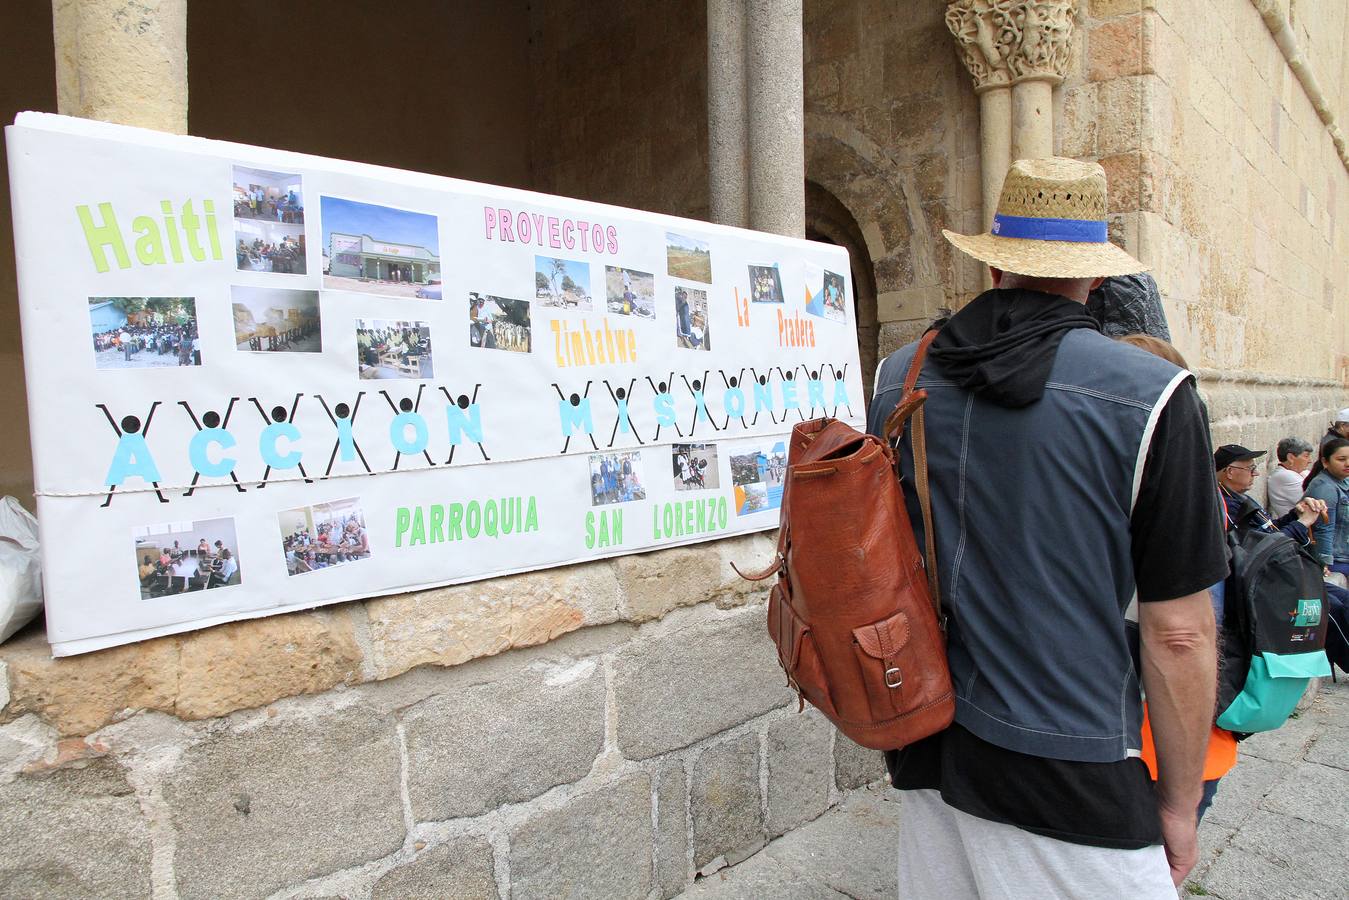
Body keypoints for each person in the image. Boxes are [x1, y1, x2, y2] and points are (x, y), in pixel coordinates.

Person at [868, 158, 1227, 896]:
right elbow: (1181, 632)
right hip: (1073, 763)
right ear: (1095, 277)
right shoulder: (1154, 395)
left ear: (995, 261)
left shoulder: (896, 376)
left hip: (925, 737)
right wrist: (1179, 802)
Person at [1215, 444, 1324, 547]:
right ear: (1230, 472)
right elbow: (1262, 547)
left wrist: (1295, 514)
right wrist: (1302, 523)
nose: (1256, 473)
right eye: (1251, 469)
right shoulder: (1225, 505)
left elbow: (1269, 527)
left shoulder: (1239, 497)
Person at [1303, 437, 1349, 579]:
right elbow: (1324, 529)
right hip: (1337, 559)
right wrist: (1324, 563)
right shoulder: (1325, 488)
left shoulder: (1343, 480)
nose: (1347, 464)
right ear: (1325, 462)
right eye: (1341, 459)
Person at [1267, 437, 1314, 518]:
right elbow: (1315, 499)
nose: (1310, 461)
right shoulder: (1284, 476)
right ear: (1291, 458)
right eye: (1306, 456)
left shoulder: (1300, 472)